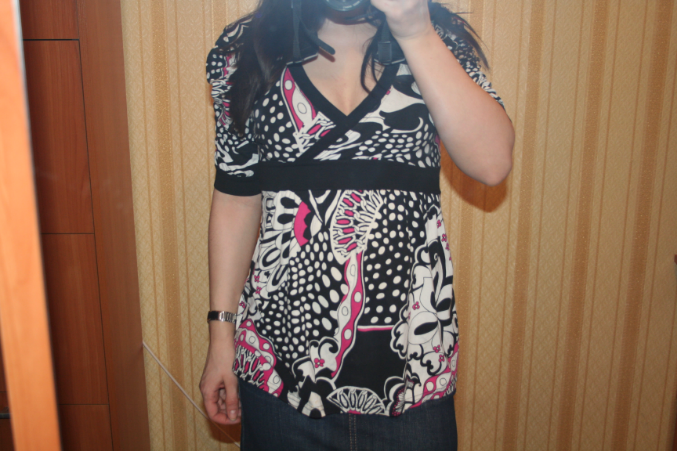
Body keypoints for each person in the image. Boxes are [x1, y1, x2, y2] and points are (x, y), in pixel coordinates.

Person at [199, 0, 514, 448]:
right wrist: (221, 336)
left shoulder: (436, 38)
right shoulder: (247, 48)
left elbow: (492, 163)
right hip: (278, 376)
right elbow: (235, 194)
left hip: (414, 378)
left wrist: (415, 31)